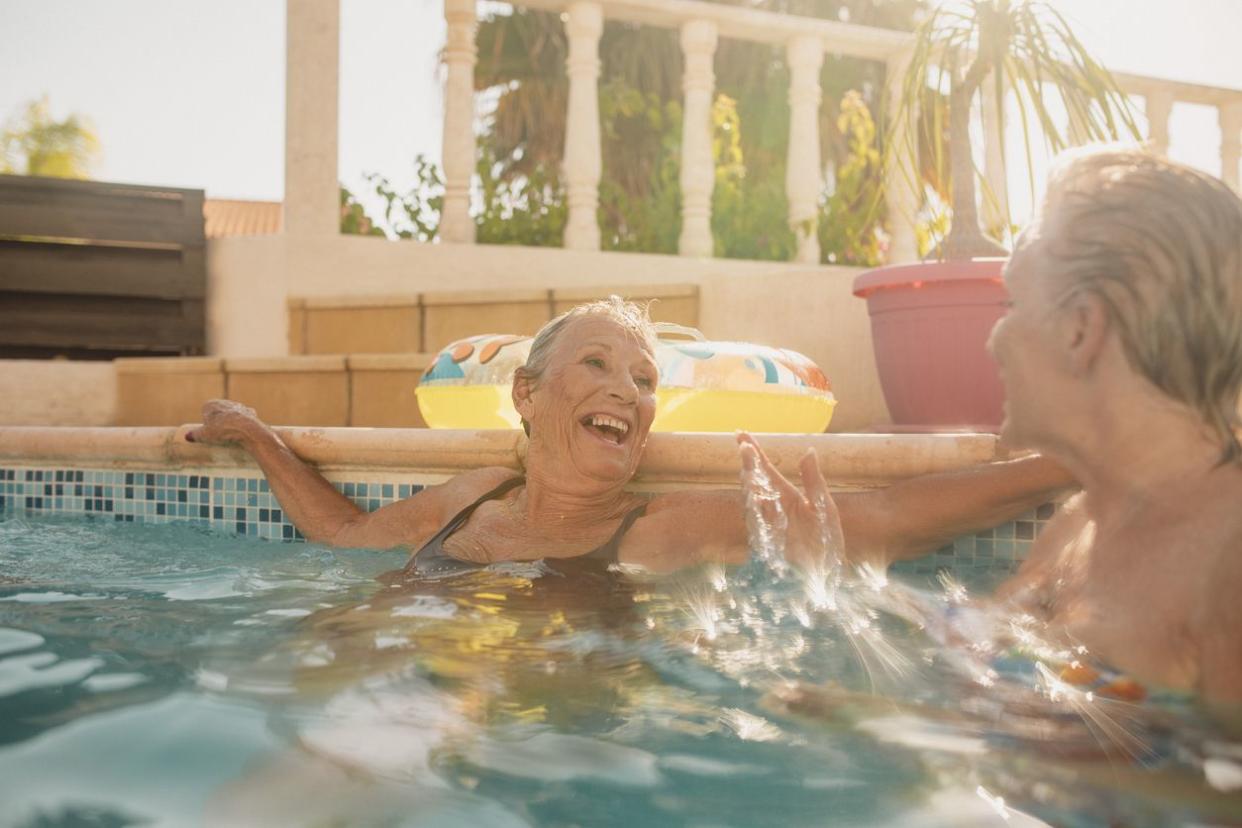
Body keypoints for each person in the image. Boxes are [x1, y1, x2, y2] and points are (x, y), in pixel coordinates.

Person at [754, 147, 1242, 709]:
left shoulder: (1225, 562)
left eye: (1011, 303)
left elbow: (1212, 790)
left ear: (1081, 329)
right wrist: (838, 585)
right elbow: (990, 648)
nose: (994, 340)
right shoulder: (1080, 526)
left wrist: (888, 726)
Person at [187, 298, 1071, 578]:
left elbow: (876, 523)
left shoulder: (659, 530)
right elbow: (342, 532)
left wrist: (1073, 459)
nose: (628, 391)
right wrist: (259, 436)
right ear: (527, 397)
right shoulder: (472, 502)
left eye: (645, 381)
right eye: (600, 366)